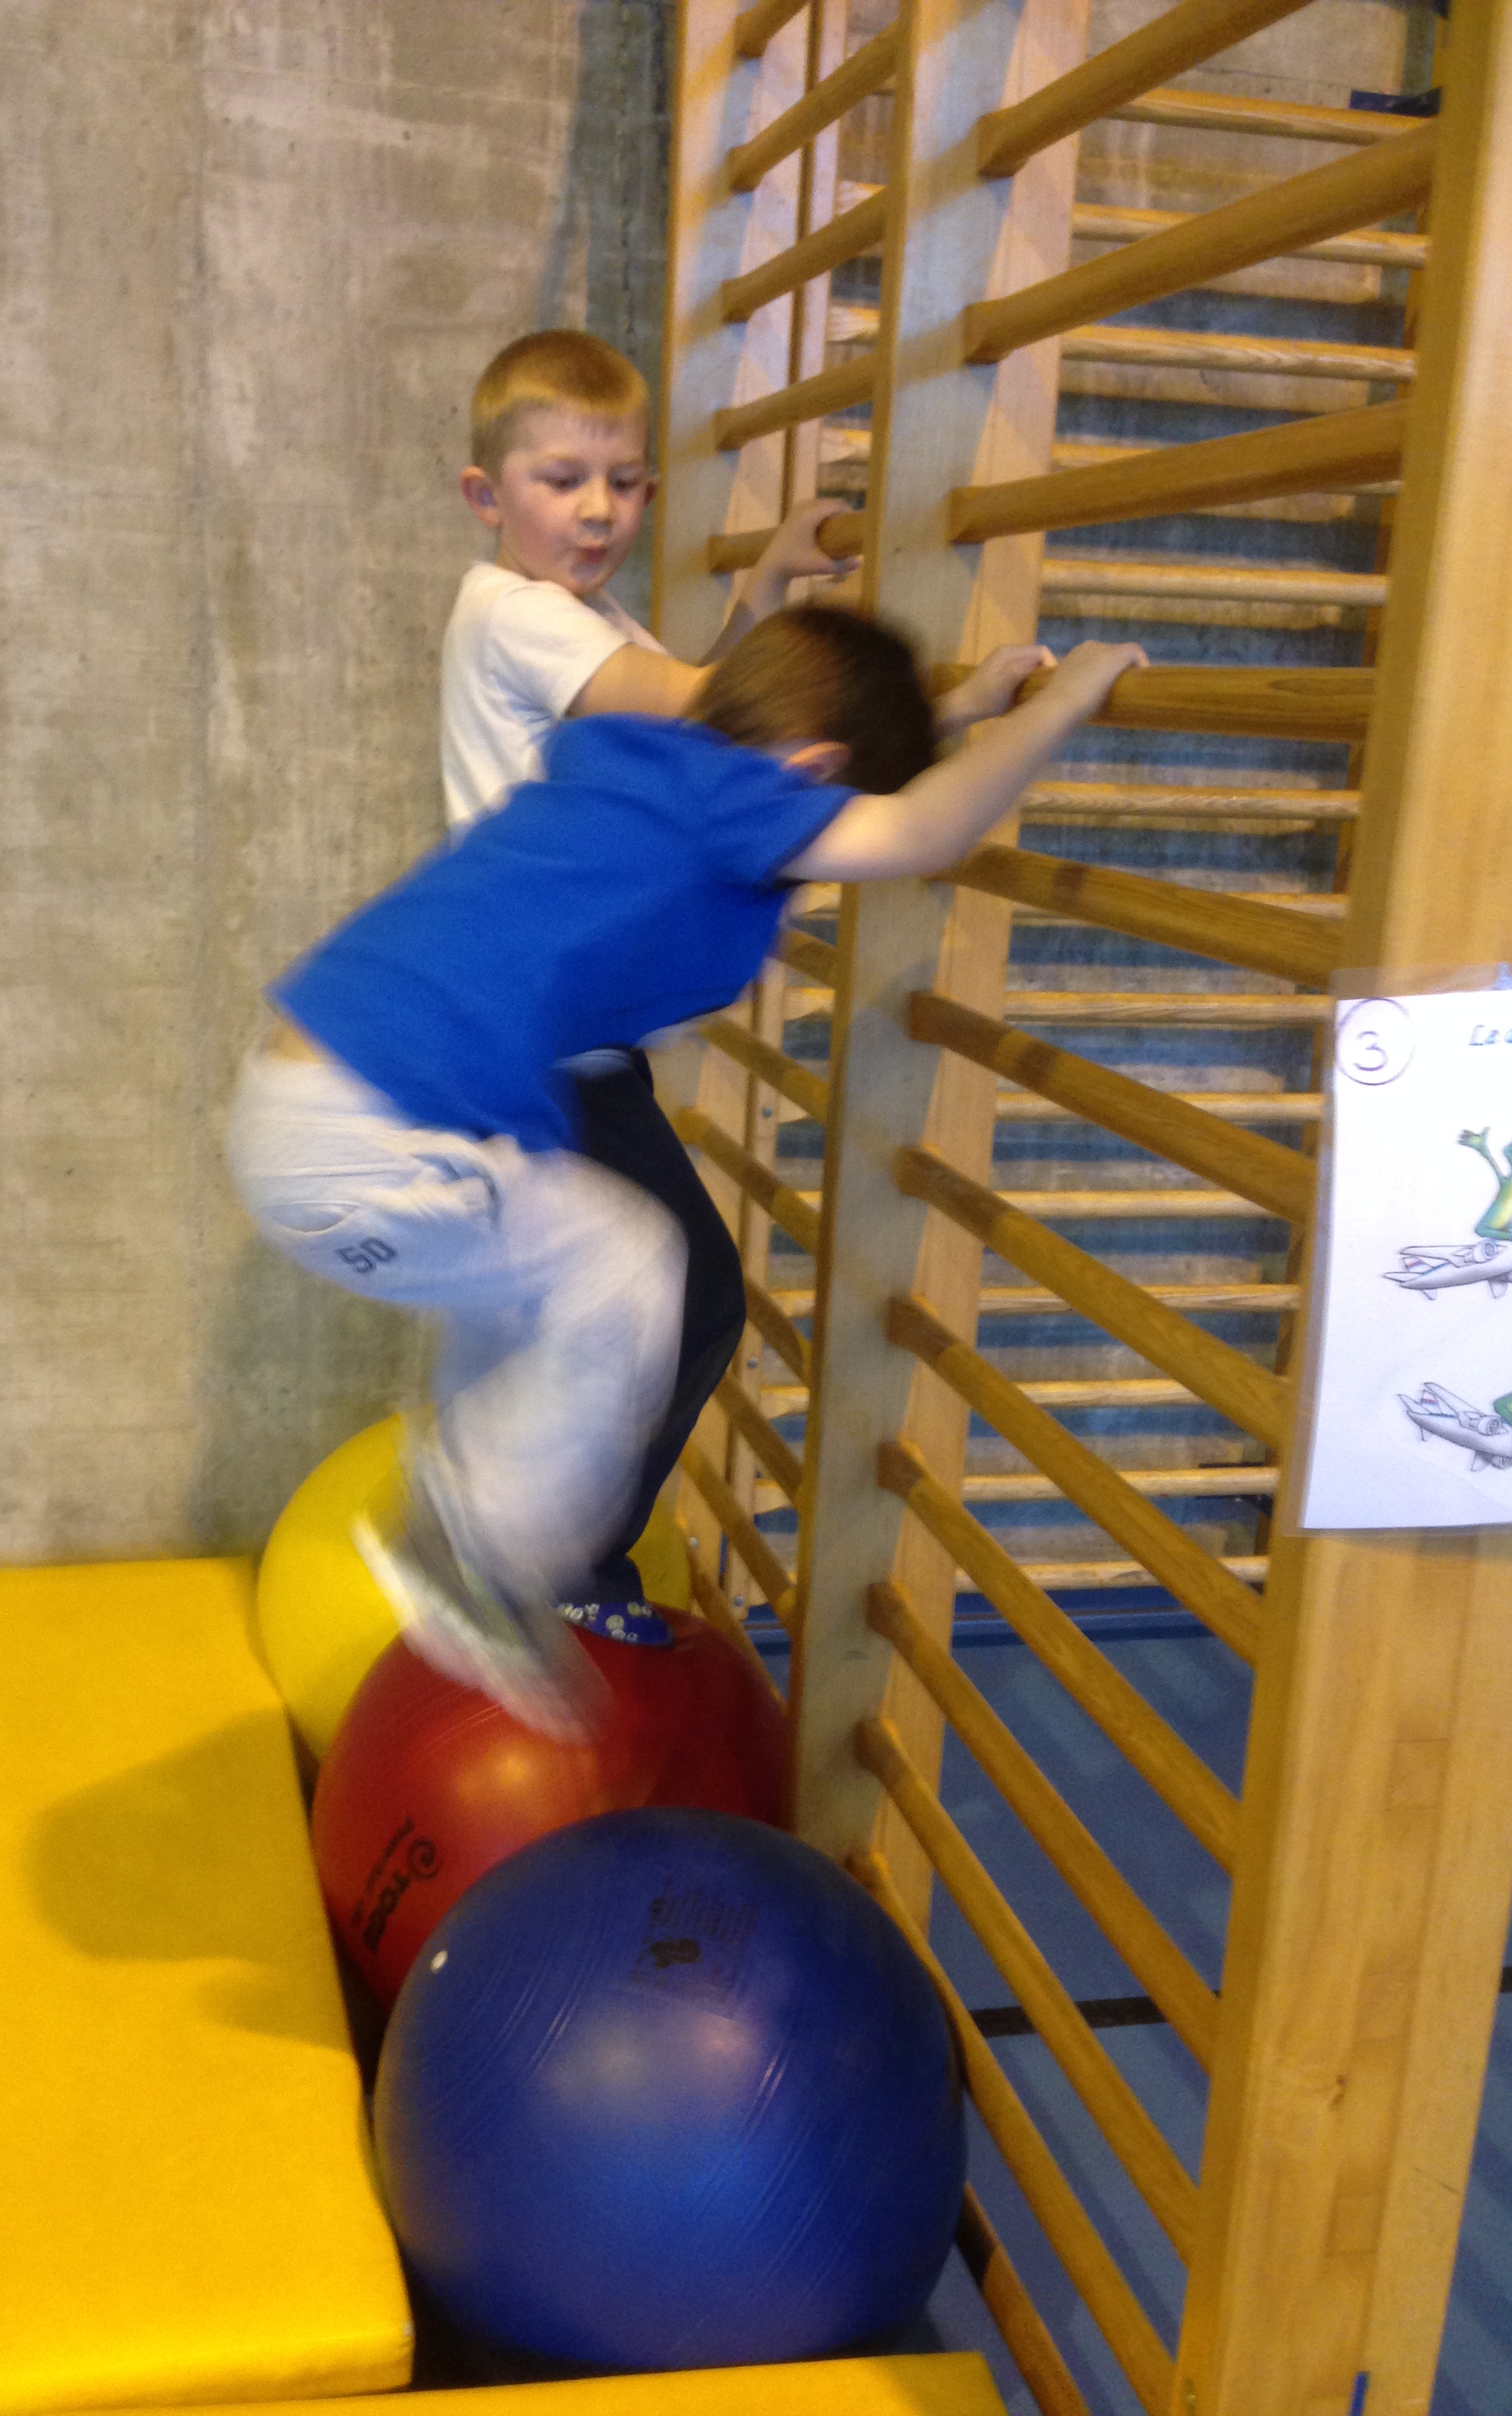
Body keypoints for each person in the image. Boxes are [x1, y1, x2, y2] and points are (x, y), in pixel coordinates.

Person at [229, 607, 1146, 1734]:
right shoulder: (726, 802)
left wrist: (956, 711)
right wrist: (1067, 700)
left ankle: (471, 1510)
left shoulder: (651, 769)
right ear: (812, 775)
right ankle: (468, 1546)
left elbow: (825, 776)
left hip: (307, 1115)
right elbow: (919, 829)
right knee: (630, 1264)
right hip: (361, 1147)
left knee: (540, 1299)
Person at [440, 329, 842, 1604]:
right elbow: (711, 712)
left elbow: (695, 707)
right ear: (487, 494)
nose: (599, 509)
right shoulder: (512, 614)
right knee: (696, 1292)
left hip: (565, 1039)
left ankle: (519, 1528)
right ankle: (560, 1557)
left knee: (621, 1300)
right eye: (562, 479)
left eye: (623, 482)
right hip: (531, 1040)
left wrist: (766, 584)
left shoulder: (588, 622)